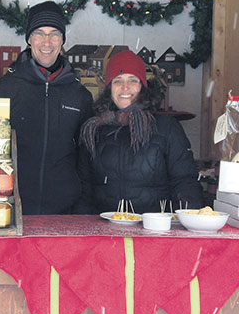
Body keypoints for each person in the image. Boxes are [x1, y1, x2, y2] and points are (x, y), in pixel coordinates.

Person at [0, 1, 93, 214]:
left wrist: (83, 206)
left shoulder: (80, 96)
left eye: (55, 34)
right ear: (29, 39)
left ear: (62, 41)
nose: (47, 42)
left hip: (64, 212)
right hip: (7, 207)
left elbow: (86, 158)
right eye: (40, 33)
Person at [77, 50, 204, 214]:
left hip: (154, 230)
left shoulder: (166, 128)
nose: (125, 87)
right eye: (117, 81)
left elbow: (184, 181)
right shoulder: (93, 130)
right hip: (106, 230)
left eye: (133, 80)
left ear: (142, 86)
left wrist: (188, 226)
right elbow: (84, 189)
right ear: (109, 87)